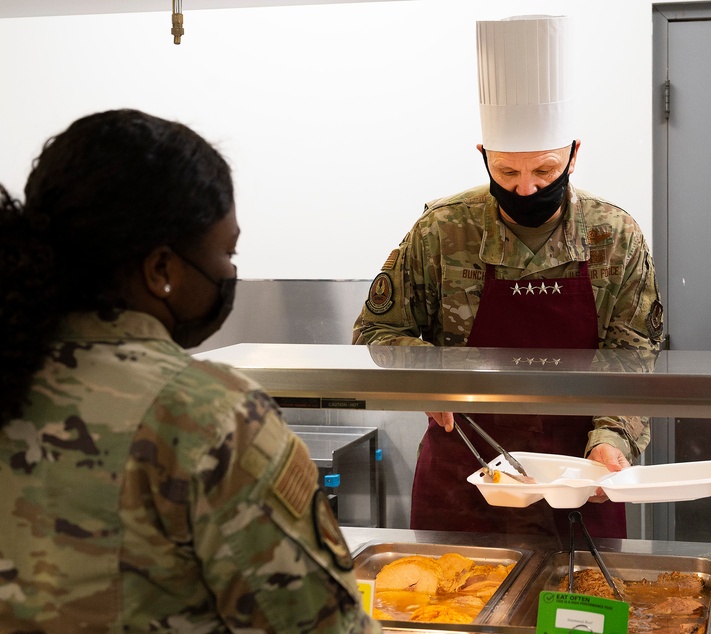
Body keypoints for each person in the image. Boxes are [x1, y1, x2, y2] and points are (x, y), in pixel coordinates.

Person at [0, 109, 380, 632]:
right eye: (228, 251)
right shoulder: (211, 415)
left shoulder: (15, 365)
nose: (230, 272)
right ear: (161, 270)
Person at [353, 15, 663, 539]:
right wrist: (431, 380)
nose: (525, 189)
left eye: (543, 172)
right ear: (483, 158)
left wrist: (613, 438)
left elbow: (634, 356)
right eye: (507, 173)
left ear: (573, 154)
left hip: (580, 473)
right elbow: (376, 333)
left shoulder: (615, 234)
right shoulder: (443, 229)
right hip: (465, 472)